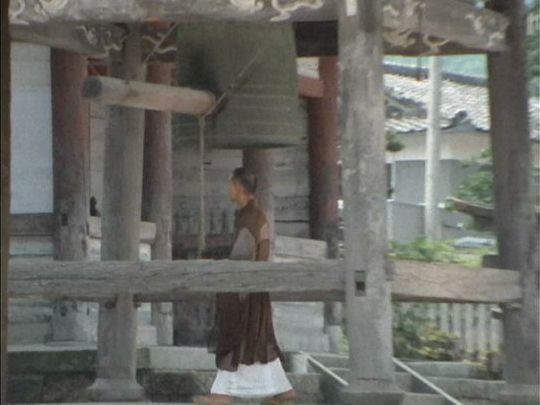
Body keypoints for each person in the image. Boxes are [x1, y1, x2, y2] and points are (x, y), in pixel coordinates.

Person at [194, 168, 297, 405]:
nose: (229, 189)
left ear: (239, 187)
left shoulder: (251, 217)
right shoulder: (250, 215)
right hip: (252, 289)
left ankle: (222, 393)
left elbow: (241, 257)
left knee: (239, 339)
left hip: (246, 289)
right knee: (257, 341)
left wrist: (217, 263)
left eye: (231, 184)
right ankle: (282, 390)